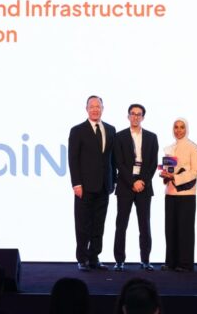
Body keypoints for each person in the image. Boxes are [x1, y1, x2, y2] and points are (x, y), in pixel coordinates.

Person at [68, 95, 116, 271]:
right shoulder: (77, 130)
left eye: (98, 106)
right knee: (83, 224)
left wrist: (113, 181)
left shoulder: (110, 129)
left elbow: (112, 158)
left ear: (103, 108)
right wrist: (76, 183)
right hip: (84, 187)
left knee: (99, 224)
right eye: (92, 106)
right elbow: (73, 159)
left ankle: (94, 257)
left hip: (104, 186)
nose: (95, 109)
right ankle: (82, 259)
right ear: (86, 109)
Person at [113, 104, 159, 271]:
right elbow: (118, 162)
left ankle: (145, 260)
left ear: (143, 118)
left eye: (139, 114)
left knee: (144, 224)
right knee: (121, 224)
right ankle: (119, 261)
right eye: (133, 114)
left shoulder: (152, 137)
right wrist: (132, 182)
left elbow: (153, 163)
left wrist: (142, 182)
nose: (135, 117)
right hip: (125, 185)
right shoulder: (119, 136)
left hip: (144, 186)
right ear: (128, 116)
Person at [160, 118, 197, 272]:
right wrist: (165, 175)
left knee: (185, 230)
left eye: (182, 127)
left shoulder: (193, 147)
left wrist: (175, 177)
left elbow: (196, 171)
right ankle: (170, 262)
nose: (178, 130)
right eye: (176, 127)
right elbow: (168, 169)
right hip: (170, 193)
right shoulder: (169, 148)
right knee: (170, 229)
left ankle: (185, 263)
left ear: (186, 129)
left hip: (186, 194)